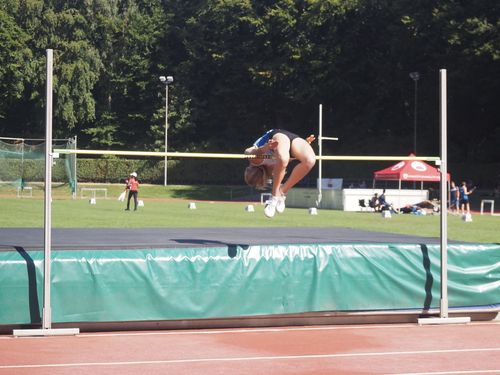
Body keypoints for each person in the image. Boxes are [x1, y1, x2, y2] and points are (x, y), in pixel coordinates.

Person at [244, 129, 316, 218]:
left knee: (283, 159)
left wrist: (266, 147)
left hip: (279, 136)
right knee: (309, 161)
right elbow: (290, 158)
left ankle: (276, 196)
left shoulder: (255, 160)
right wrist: (305, 144)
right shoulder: (272, 169)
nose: (247, 167)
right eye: (248, 170)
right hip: (291, 145)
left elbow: (248, 151)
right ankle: (280, 194)